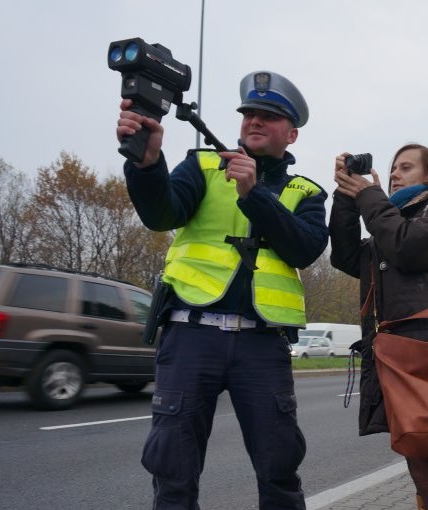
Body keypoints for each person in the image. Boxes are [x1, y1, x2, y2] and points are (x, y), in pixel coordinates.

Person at [115, 70, 328, 510]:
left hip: (261, 344)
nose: (254, 120)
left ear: (291, 134)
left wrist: (255, 194)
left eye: (268, 116)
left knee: (279, 470)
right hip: (191, 335)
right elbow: (160, 214)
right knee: (173, 469)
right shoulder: (203, 166)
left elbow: (304, 249)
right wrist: (148, 163)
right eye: (249, 112)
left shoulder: (305, 191)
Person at [328, 143, 428, 510]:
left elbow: (412, 247)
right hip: (398, 348)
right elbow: (346, 256)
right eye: (393, 168)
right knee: (422, 457)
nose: (394, 174)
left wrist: (371, 196)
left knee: (424, 457)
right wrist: (348, 197)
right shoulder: (388, 223)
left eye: (406, 168)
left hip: (426, 347)